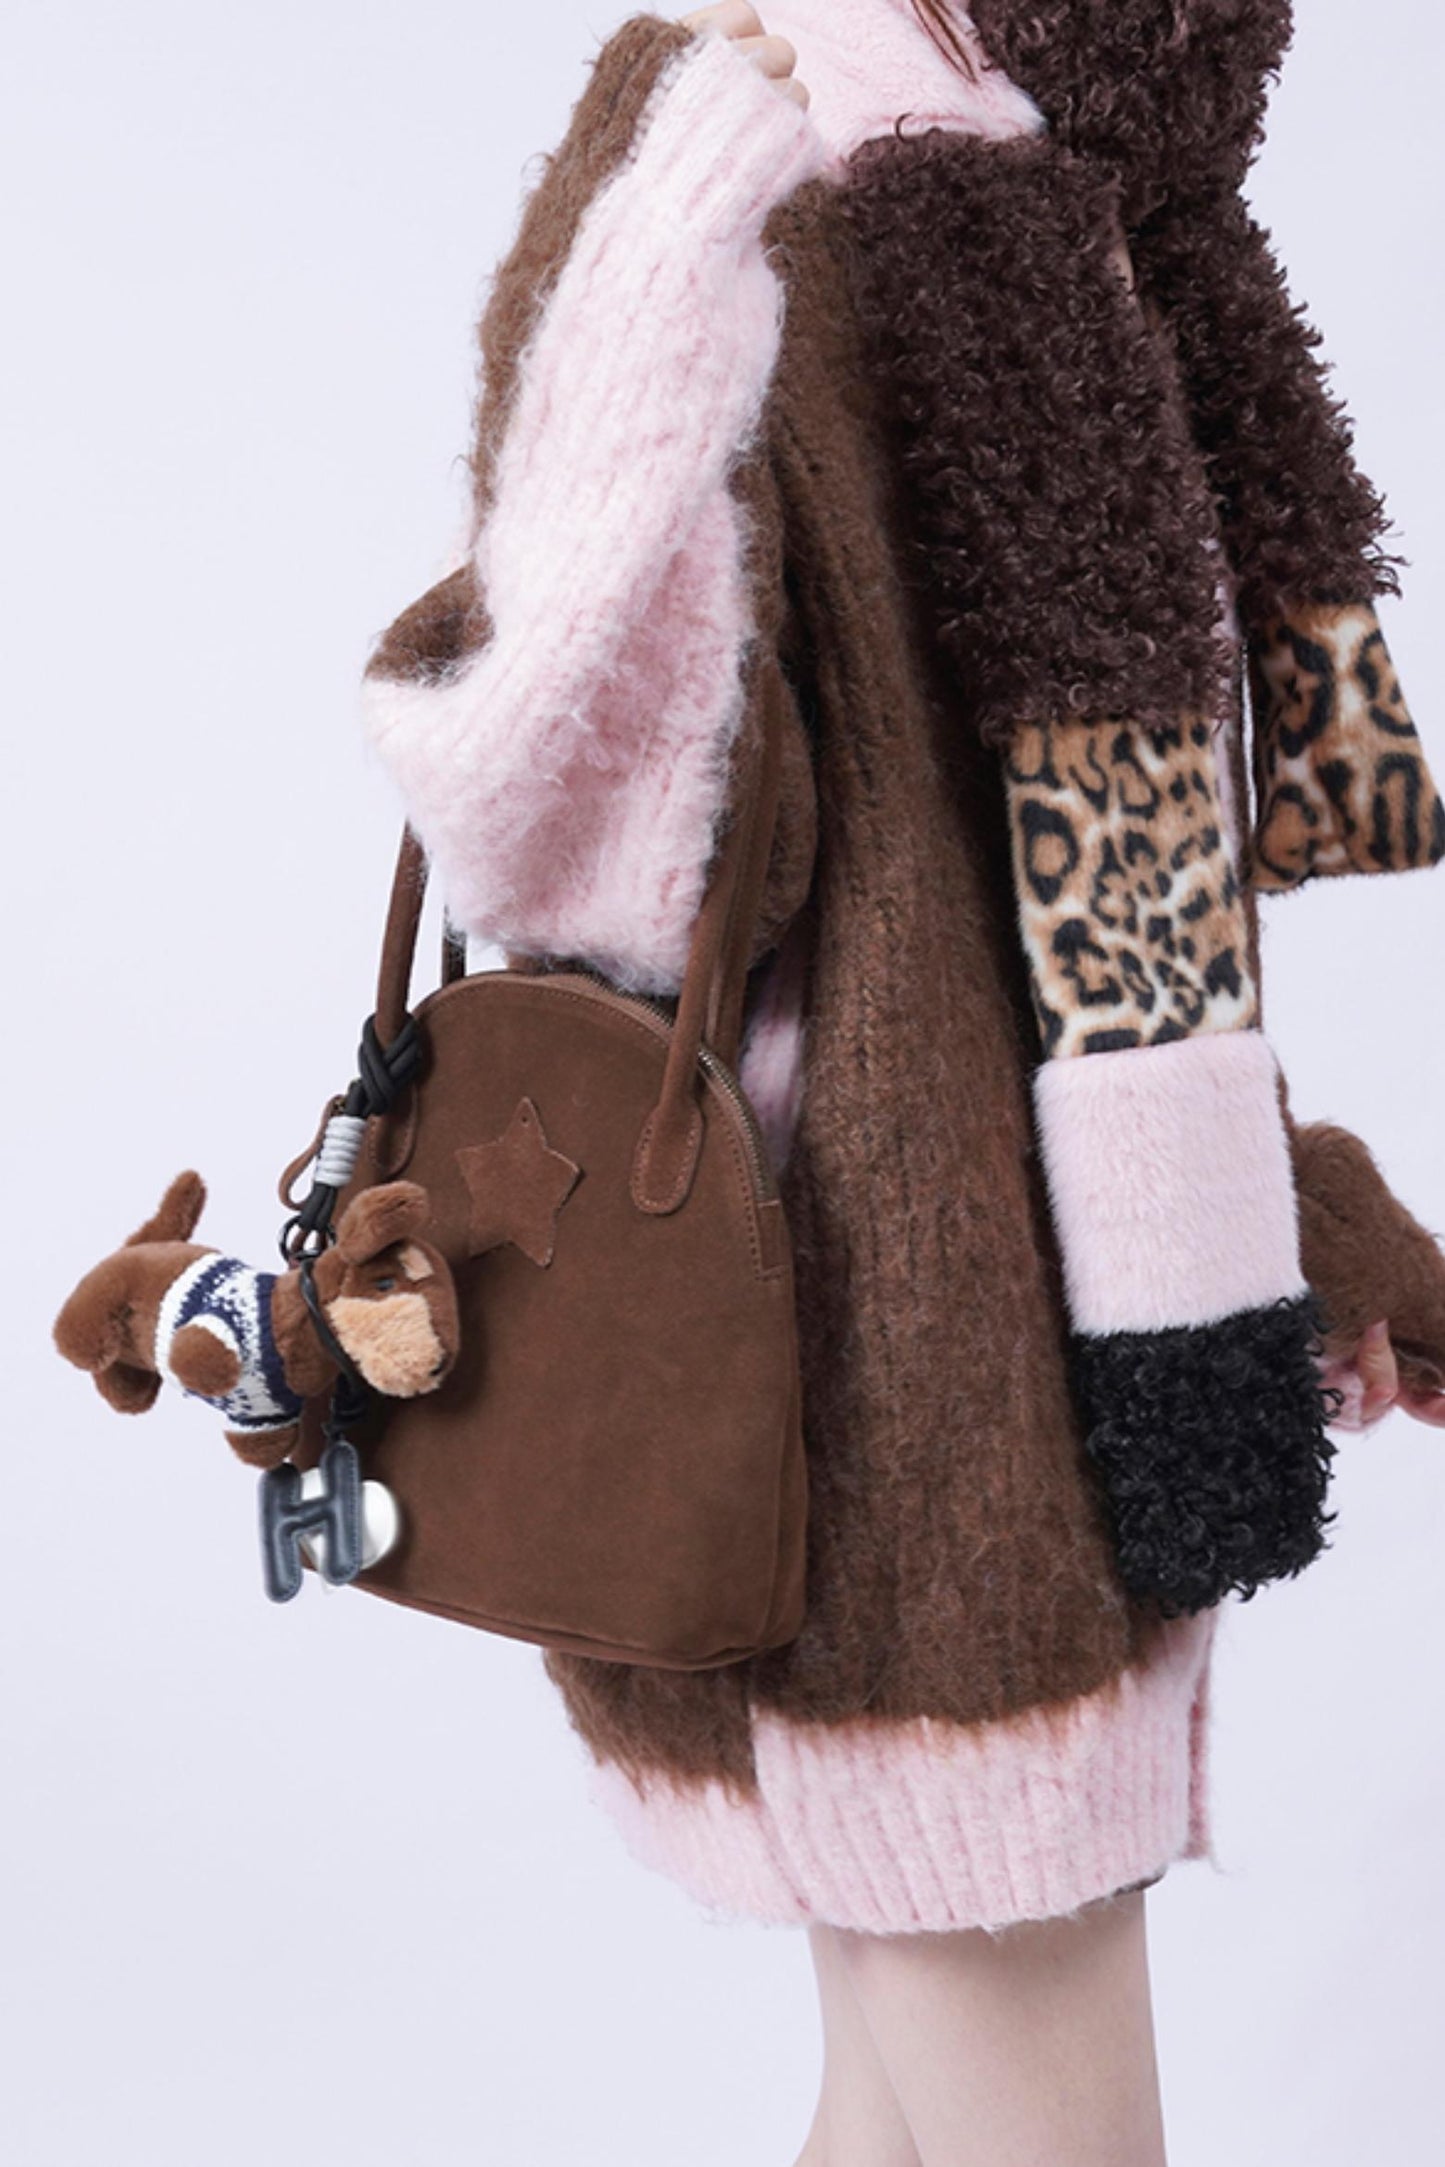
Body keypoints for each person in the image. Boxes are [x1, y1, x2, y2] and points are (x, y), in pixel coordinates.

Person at [359, 4, 1445, 2160]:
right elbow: (541, 816)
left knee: (891, 2114)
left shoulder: (1069, 213)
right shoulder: (758, 180)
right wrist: (664, 229)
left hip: (1040, 1403)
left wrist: (1294, 1220)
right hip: (888, 1452)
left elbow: (1078, 931)